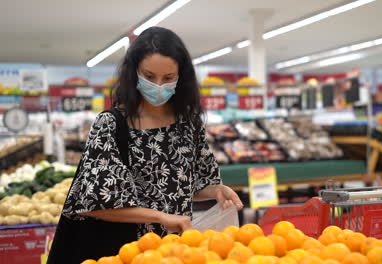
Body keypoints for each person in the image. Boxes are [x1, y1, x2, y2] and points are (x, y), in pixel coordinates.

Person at [47, 27, 243, 263]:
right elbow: (92, 203)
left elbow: (187, 187)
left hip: (176, 253)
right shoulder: (111, 124)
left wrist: (216, 190)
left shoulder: (189, 125)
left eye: (168, 78)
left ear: (182, 77)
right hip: (124, 254)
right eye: (149, 76)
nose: (159, 85)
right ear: (134, 72)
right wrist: (161, 217)